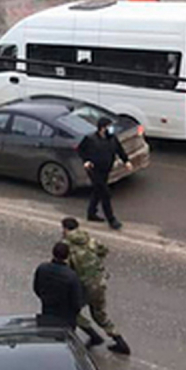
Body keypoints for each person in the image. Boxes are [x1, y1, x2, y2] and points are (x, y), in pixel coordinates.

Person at [62, 217, 131, 355]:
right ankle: (119, 340)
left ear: (65, 229)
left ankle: (93, 336)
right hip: (99, 282)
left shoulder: (67, 246)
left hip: (84, 286)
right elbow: (104, 250)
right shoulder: (89, 240)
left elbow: (66, 268)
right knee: (99, 314)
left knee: (71, 312)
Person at [78, 117, 132, 230]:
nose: (111, 129)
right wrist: (86, 161)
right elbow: (81, 150)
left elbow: (119, 150)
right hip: (94, 170)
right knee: (105, 194)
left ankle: (91, 213)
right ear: (102, 128)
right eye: (109, 126)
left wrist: (126, 161)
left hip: (106, 169)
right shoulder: (90, 139)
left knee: (97, 191)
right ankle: (111, 219)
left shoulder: (112, 139)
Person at [33, 242, 84, 330]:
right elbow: (76, 301)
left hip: (47, 311)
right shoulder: (71, 276)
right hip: (66, 317)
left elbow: (36, 288)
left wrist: (45, 298)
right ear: (67, 256)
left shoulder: (42, 269)